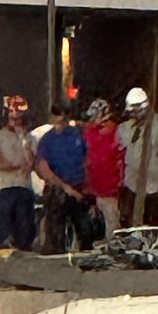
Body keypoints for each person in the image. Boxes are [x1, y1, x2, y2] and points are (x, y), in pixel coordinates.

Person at [35, 104, 92, 254]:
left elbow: (89, 159)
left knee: (85, 230)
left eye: (64, 116)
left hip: (79, 187)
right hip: (58, 190)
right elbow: (43, 168)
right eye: (57, 116)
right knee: (55, 231)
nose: (61, 120)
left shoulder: (78, 134)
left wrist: (86, 185)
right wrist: (65, 187)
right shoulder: (47, 140)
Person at [0, 95, 36, 251]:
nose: (16, 118)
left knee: (24, 228)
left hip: (24, 187)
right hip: (5, 188)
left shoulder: (30, 138)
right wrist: (17, 166)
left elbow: (31, 163)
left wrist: (22, 138)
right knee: (1, 228)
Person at [117, 87, 158, 227]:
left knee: (153, 224)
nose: (133, 115)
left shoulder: (157, 124)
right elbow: (120, 141)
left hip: (153, 185)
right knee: (132, 224)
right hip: (132, 183)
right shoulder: (128, 127)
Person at [83, 98, 124, 240]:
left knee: (112, 225)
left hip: (110, 188)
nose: (92, 119)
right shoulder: (90, 133)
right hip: (95, 189)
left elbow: (120, 160)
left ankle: (114, 250)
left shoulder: (117, 133)